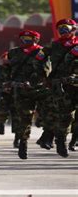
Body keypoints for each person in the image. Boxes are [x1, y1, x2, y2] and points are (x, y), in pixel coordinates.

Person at [6, 30, 50, 159]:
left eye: (29, 38)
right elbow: (9, 70)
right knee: (24, 118)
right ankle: (23, 143)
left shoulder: (42, 52)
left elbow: (46, 70)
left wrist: (34, 82)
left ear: (36, 39)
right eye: (23, 38)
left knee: (51, 112)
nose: (25, 40)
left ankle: (46, 137)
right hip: (20, 90)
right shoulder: (13, 52)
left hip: (39, 89)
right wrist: (9, 82)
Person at [43, 18, 78, 157]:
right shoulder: (54, 46)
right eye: (60, 29)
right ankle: (61, 141)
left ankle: (73, 141)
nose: (63, 31)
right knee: (66, 115)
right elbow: (38, 60)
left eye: (66, 28)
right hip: (63, 85)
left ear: (74, 29)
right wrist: (45, 76)